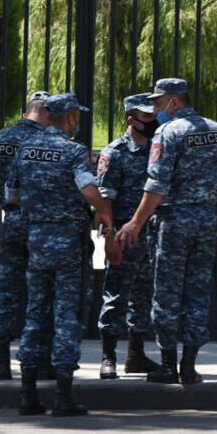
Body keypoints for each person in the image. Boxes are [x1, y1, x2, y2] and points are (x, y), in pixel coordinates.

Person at [116, 78, 217, 385]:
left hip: (173, 223)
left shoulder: (168, 132)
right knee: (197, 293)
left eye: (158, 103)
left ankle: (168, 364)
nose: (155, 111)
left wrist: (135, 222)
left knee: (166, 293)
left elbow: (156, 185)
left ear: (174, 102)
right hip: (204, 223)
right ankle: (189, 366)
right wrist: (210, 214)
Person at [6, 93, 112, 416]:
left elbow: (12, 194)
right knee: (67, 314)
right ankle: (63, 396)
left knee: (35, 312)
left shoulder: (25, 149)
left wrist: (40, 209)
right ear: (70, 118)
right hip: (67, 240)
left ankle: (27, 394)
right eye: (77, 116)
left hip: (36, 238)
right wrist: (103, 211)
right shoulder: (72, 150)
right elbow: (88, 188)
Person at [0, 91, 54, 380]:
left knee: (6, 291)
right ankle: (40, 361)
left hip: (11, 222)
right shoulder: (48, 142)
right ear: (47, 114)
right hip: (42, 226)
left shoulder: (0, 138)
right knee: (41, 293)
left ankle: (2, 362)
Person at [95, 93, 160, 379]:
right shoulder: (116, 152)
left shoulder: (158, 149)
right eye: (147, 116)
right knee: (116, 294)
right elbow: (104, 200)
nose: (153, 120)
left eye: (154, 115)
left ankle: (136, 355)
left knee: (143, 296)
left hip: (152, 233)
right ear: (132, 119)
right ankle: (108, 356)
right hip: (124, 233)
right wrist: (109, 237)